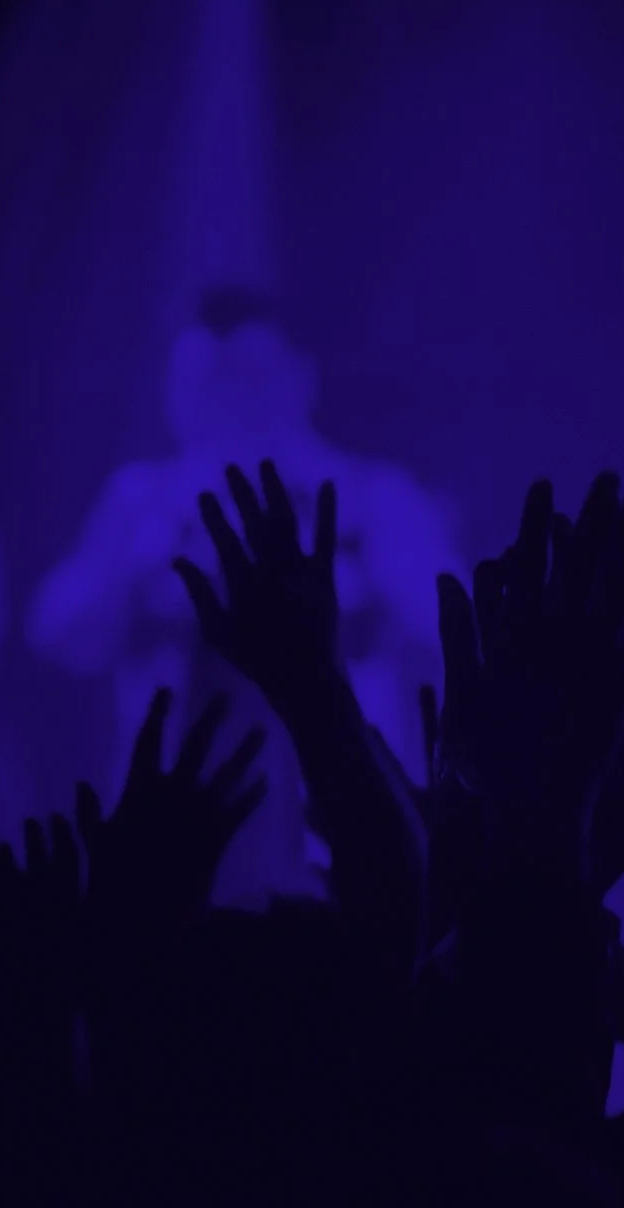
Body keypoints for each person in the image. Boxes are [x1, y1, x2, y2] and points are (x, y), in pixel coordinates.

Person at [25, 288, 452, 902]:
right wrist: (142, 557)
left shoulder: (371, 496)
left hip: (341, 834)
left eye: (247, 377)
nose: (225, 399)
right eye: (203, 381)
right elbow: (58, 637)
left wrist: (372, 566)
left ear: (300, 379)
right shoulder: (142, 500)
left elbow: (453, 624)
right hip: (174, 843)